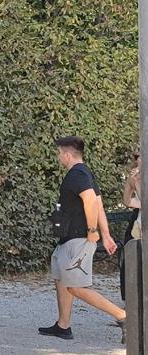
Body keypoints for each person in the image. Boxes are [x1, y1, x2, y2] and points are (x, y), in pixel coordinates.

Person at [39, 136, 126, 343]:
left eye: (59, 153)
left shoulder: (77, 174)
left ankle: (124, 317)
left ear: (67, 154)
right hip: (69, 239)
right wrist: (105, 235)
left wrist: (92, 230)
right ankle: (63, 325)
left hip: (78, 238)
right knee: (61, 278)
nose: (58, 157)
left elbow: (89, 200)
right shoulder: (84, 173)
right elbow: (98, 204)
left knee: (76, 287)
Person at [120, 154, 141, 300]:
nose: (138, 161)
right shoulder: (138, 178)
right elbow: (128, 201)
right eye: (137, 158)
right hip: (138, 228)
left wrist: (136, 184)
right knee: (132, 265)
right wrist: (130, 184)